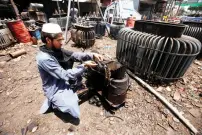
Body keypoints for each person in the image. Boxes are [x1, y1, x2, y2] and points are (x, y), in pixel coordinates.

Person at [36, 23, 103, 119]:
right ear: (48, 40)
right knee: (72, 107)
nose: (62, 43)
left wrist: (92, 55)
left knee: (81, 70)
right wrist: (84, 65)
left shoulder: (56, 50)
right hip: (55, 87)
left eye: (62, 39)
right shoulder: (44, 58)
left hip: (63, 79)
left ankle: (70, 90)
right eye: (59, 40)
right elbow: (65, 75)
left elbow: (74, 55)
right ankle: (55, 104)